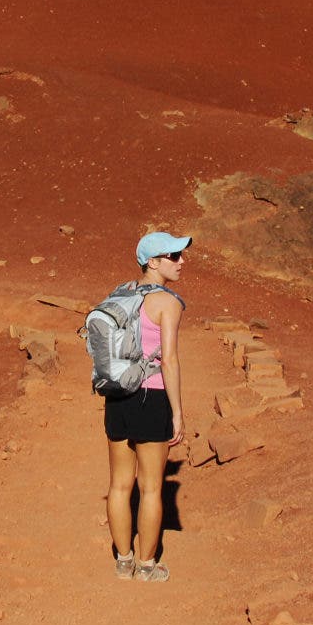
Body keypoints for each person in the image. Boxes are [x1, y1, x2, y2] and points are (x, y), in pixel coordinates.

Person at [106, 230, 189, 581]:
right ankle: (146, 566)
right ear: (152, 262)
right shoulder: (167, 303)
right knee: (152, 488)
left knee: (120, 485)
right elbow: (168, 360)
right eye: (173, 256)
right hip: (151, 396)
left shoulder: (118, 294)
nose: (181, 261)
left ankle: (123, 559)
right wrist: (177, 412)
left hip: (117, 397)